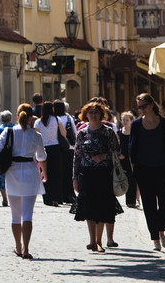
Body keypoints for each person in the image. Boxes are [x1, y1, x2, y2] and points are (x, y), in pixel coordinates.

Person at [0, 104, 47, 259]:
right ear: (31, 118)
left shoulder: (9, 131)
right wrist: (44, 173)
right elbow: (42, 157)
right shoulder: (36, 135)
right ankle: (27, 248)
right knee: (28, 214)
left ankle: (18, 246)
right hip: (30, 171)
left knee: (15, 215)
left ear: (17, 116)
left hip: (13, 172)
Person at [73, 101, 119, 252]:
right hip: (86, 173)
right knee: (88, 207)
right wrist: (74, 177)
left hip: (104, 173)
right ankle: (92, 240)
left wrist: (104, 155)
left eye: (96, 112)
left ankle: (99, 242)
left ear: (101, 115)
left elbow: (117, 152)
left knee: (102, 206)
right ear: (86, 115)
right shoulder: (82, 133)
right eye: (90, 112)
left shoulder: (107, 131)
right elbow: (77, 155)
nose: (93, 115)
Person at [130, 93, 165, 251]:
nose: (141, 110)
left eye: (143, 106)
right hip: (143, 168)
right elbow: (132, 147)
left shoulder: (163, 123)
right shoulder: (136, 125)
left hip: (162, 167)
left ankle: (162, 229)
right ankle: (155, 237)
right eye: (139, 107)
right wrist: (133, 166)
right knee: (148, 204)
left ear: (151, 105)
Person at [35, 101, 65, 206]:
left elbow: (36, 136)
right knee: (56, 173)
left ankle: (47, 198)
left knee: (44, 173)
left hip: (42, 148)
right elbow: (63, 133)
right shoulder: (57, 119)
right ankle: (56, 197)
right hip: (55, 148)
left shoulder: (38, 122)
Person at [0, 110, 15, 208]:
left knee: (1, 178)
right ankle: (12, 198)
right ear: (11, 118)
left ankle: (4, 198)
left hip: (0, 157)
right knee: (13, 177)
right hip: (13, 156)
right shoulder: (15, 128)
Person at [54, 100, 76, 204]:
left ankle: (60, 195)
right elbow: (74, 131)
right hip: (69, 147)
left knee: (59, 171)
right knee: (68, 172)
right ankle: (69, 194)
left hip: (58, 147)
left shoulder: (53, 119)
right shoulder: (68, 117)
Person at [118, 112, 139, 208]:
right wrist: (119, 154)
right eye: (123, 120)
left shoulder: (134, 132)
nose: (125, 122)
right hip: (123, 158)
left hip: (132, 158)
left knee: (132, 178)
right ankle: (128, 200)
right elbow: (116, 146)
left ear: (131, 121)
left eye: (127, 120)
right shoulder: (119, 132)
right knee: (125, 178)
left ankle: (132, 200)